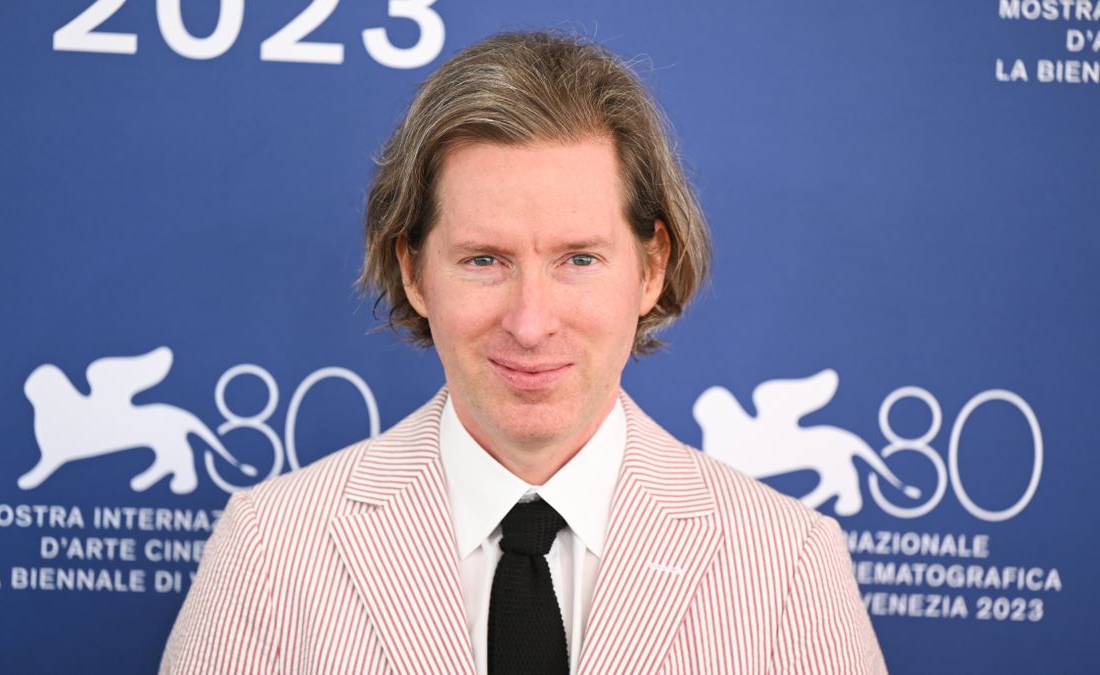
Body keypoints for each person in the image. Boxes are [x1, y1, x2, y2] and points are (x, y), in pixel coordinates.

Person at [160, 31, 887, 674]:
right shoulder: (271, 549)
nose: (531, 323)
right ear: (414, 270)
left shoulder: (788, 564)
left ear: (652, 266)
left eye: (578, 259)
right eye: (484, 260)